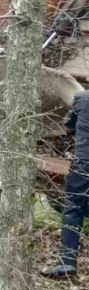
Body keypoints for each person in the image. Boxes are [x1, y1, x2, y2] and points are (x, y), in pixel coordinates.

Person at [42, 90, 89, 279]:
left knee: (73, 209)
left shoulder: (83, 98)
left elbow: (68, 125)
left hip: (84, 161)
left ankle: (67, 262)